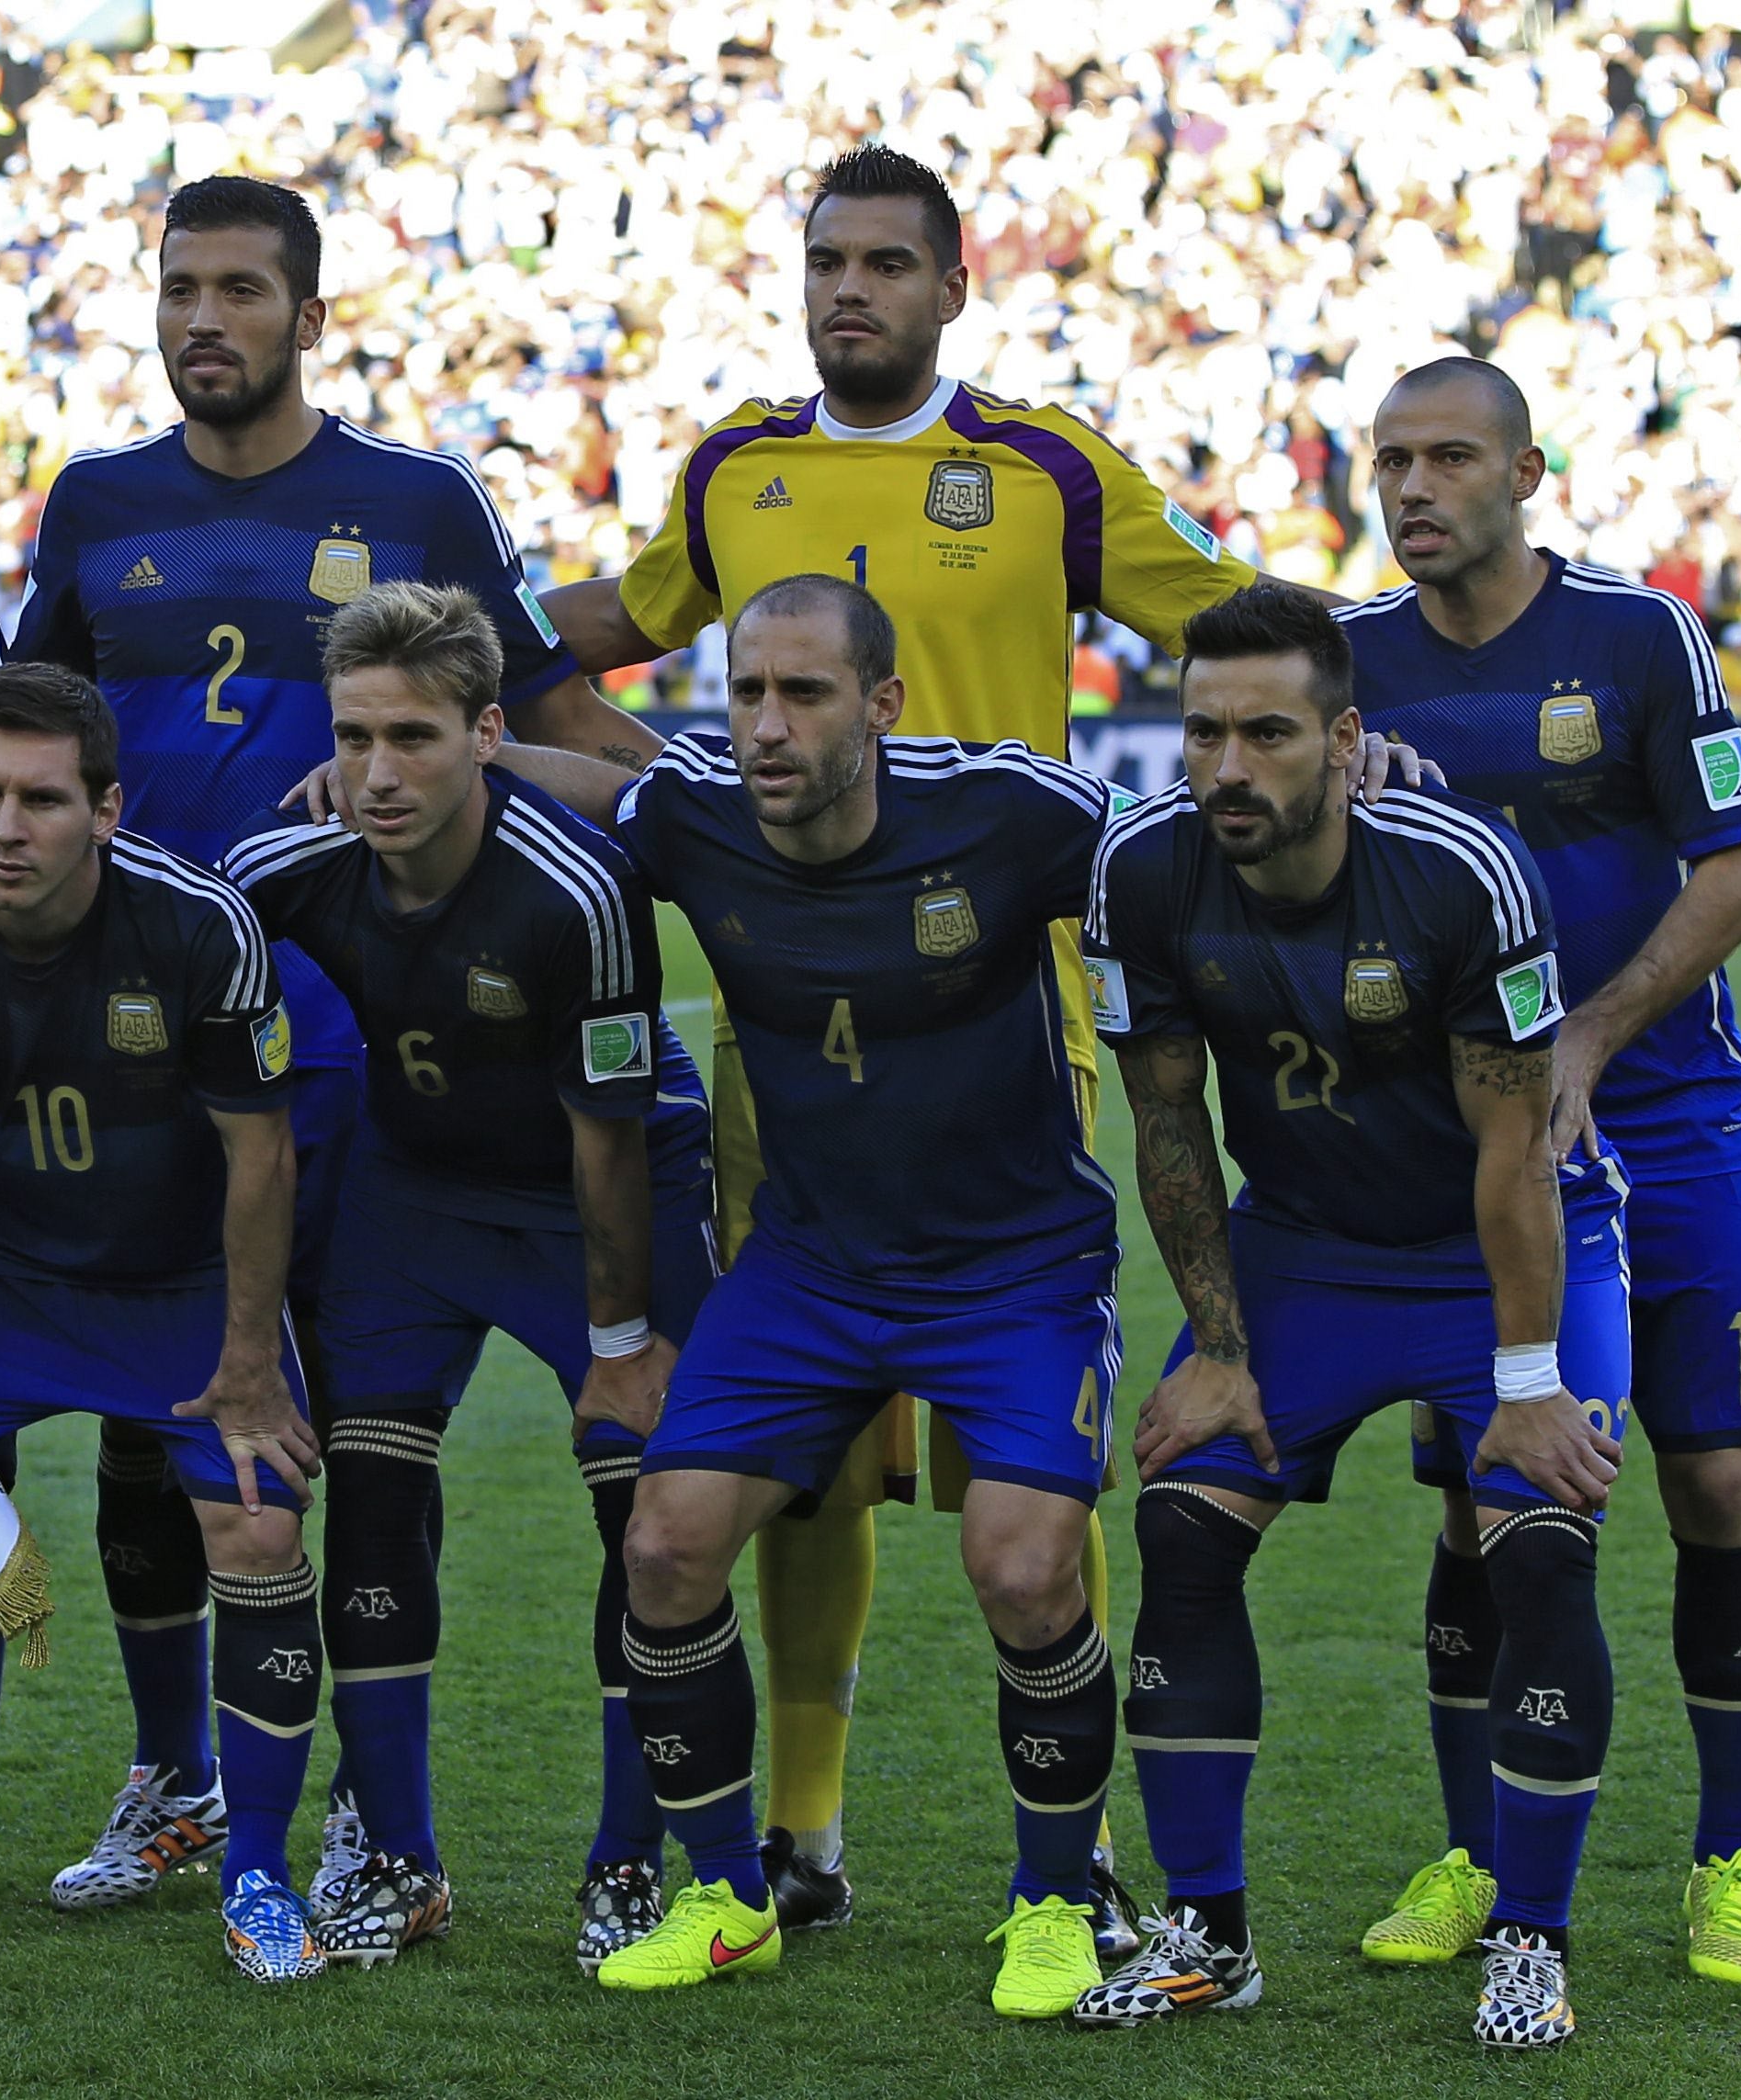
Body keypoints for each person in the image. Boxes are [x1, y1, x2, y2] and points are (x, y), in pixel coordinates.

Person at [540, 146, 1283, 1944]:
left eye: (883, 262)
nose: (845, 289)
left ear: (951, 286)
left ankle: (1072, 1853)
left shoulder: (1041, 468)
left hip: (1003, 1006)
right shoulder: (732, 465)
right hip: (785, 1028)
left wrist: (1377, 722)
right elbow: (609, 633)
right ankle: (796, 1837)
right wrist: (445, 641)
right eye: (820, 262)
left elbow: (1240, 631)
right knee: (804, 1438)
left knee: (1025, 1461)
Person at [1, 173, 645, 1912]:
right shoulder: (94, 505)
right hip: (146, 1036)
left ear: (307, 313)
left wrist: (708, 800)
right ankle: (172, 1773)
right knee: (162, 1416)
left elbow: (536, 707)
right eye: (179, 287)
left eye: (239, 289)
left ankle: (377, 1807)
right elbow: (31, 726)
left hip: (357, 1040)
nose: (203, 318)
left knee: (354, 1426)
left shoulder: (414, 497)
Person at [501, 573, 1127, 2015]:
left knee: (1025, 1567)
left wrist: (1363, 766)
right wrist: (430, 750)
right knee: (661, 1547)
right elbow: (575, 781)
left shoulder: (1011, 810)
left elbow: (1197, 834)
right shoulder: (698, 811)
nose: (765, 727)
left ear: (883, 706)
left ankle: (1053, 1897)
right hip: (809, 1270)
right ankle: (729, 1893)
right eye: (743, 695)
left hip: (1013, 1265)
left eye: (803, 693)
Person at [1079, 583, 1627, 2050]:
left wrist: (1522, 1380)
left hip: (1499, 1249)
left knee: (1538, 1539)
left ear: (1342, 737)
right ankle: (1209, 1933)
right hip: (1305, 1251)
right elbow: (1168, 1125)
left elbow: (1515, 1152)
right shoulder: (1138, 866)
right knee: (1183, 1522)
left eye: (1265, 732)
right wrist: (1219, 1344)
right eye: (1201, 732)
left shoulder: (1460, 871)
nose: (1226, 767)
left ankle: (1529, 1938)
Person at [1338, 359, 1741, 1985]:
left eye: (1447, 456)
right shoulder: (1349, 666)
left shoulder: (1637, 634)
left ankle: (1729, 1859)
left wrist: (1587, 1041)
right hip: (1483, 1158)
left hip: (1665, 1123)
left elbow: (1735, 869)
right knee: (1490, 1508)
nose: (1410, 487)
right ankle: (1474, 1854)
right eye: (1387, 459)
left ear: (1528, 470)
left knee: (1715, 1481)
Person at [0, 661, 325, 1981]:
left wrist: (251, 1366)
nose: (5, 828)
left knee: (255, 1512)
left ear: (108, 809)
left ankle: (253, 1871)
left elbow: (260, 1155)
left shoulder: (200, 924)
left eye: (39, 799)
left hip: (174, 1272)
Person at [221, 581, 716, 1969]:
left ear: (488, 733)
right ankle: (396, 1856)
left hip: (597, 1196)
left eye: (415, 737)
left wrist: (620, 1337)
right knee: (368, 1497)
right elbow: (183, 949)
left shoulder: (577, 885)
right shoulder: (292, 864)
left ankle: (628, 1858)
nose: (378, 772)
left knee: (644, 1518)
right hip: (413, 1193)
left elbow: (607, 1138)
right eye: (355, 735)